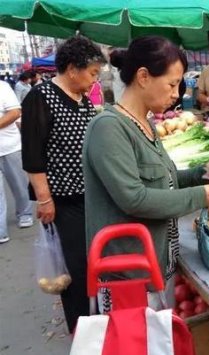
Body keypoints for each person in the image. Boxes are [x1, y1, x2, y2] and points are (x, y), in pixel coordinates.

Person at [82, 36, 209, 311]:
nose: (177, 94)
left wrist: (203, 174)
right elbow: (134, 198)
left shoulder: (145, 124)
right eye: (172, 84)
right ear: (143, 76)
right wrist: (200, 195)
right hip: (128, 274)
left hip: (155, 265)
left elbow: (167, 179)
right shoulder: (109, 128)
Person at [20, 35, 105, 332]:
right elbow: (33, 156)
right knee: (76, 270)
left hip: (87, 197)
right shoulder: (40, 97)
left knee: (91, 263)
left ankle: (95, 322)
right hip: (60, 201)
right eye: (92, 73)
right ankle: (83, 331)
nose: (95, 81)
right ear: (72, 68)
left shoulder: (83, 100)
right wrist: (45, 200)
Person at [0, 80, 34, 244]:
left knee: (19, 185)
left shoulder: (3, 88)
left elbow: (14, 112)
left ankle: (25, 213)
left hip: (9, 147)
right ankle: (1, 230)